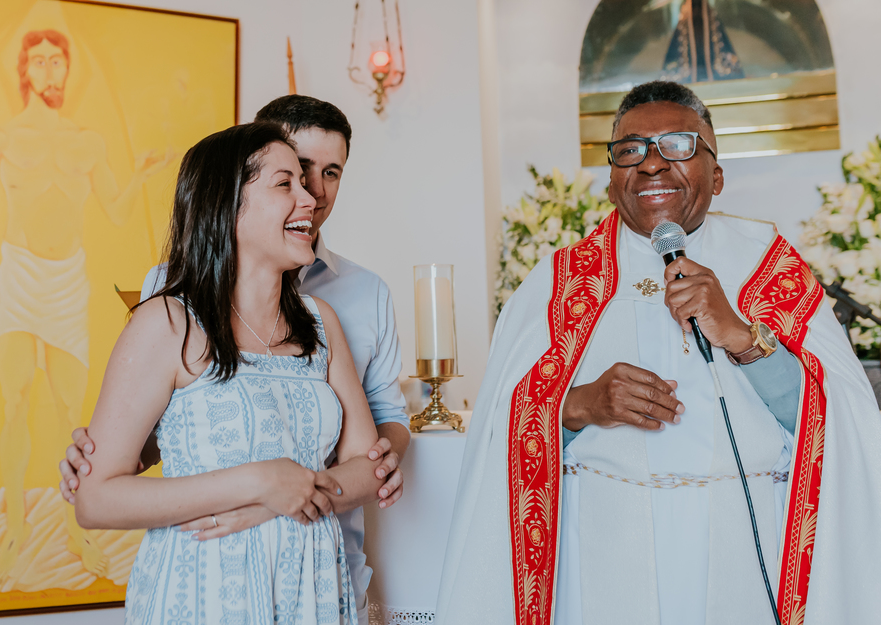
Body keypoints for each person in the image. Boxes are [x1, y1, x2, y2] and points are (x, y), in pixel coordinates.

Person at [437, 81, 881, 625]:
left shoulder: (771, 268)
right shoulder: (558, 284)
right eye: (631, 150)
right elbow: (496, 433)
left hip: (746, 547)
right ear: (610, 181)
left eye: (678, 145)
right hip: (603, 554)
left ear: (716, 177)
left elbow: (843, 425)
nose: (651, 163)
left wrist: (743, 337)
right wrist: (580, 405)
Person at [60, 95, 411, 621]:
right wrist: (259, 482)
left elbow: (370, 466)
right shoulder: (167, 318)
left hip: (314, 586)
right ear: (229, 204)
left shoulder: (322, 322)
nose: (312, 198)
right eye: (286, 182)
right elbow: (96, 498)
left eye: (321, 177)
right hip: (206, 592)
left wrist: (278, 494)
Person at [0, 29, 164, 582]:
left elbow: (119, 212)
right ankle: (14, 527)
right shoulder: (4, 136)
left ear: (66, 70)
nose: (50, 72)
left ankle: (74, 529)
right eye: (40, 62)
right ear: (25, 73)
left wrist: (143, 177)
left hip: (66, 283)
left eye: (58, 62)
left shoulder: (88, 142)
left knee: (66, 411)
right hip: (19, 277)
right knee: (15, 402)